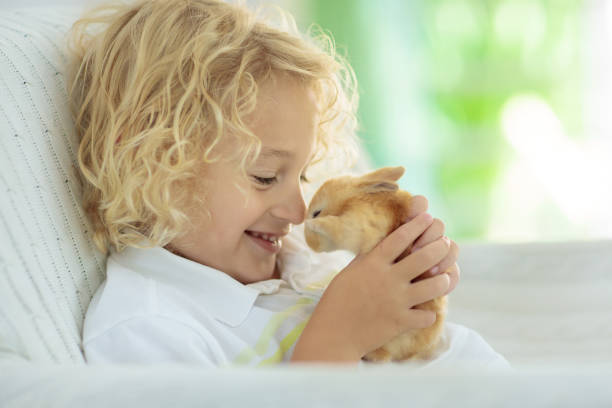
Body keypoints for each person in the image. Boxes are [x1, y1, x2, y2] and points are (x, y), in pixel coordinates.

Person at [71, 0, 507, 367]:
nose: (298, 213)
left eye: (300, 176)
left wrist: (408, 282)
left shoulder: (298, 261)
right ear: (152, 162)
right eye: (265, 176)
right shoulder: (147, 330)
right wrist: (335, 340)